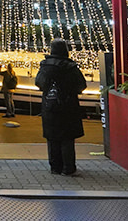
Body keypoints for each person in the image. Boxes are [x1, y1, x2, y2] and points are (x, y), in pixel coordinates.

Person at [35, 39, 87, 176]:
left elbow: (38, 83)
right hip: (68, 106)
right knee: (67, 139)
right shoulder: (70, 67)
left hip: (49, 106)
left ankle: (55, 167)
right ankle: (68, 168)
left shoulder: (45, 66)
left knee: (52, 138)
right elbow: (81, 85)